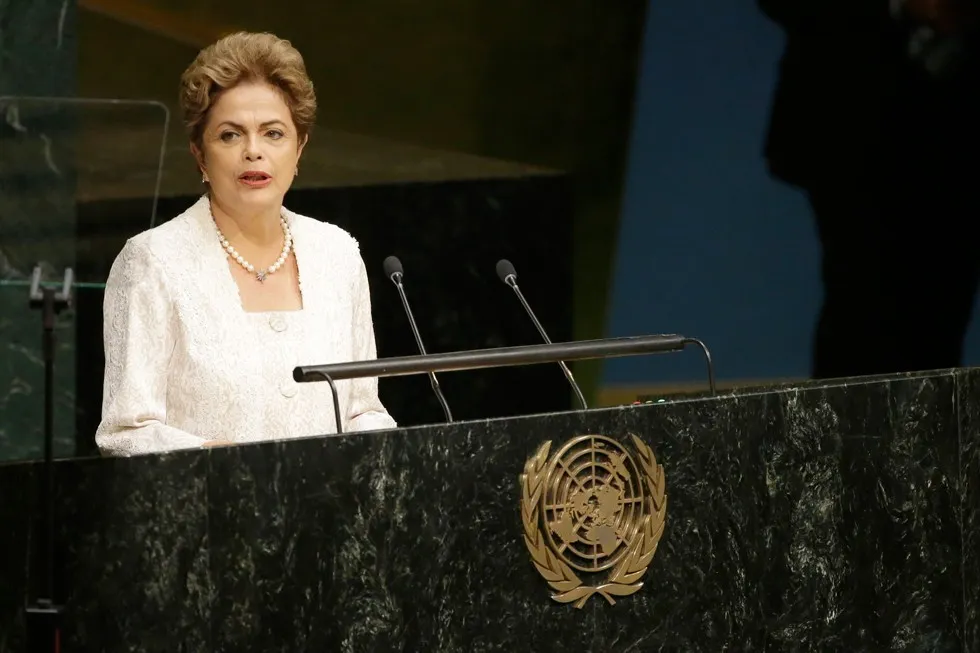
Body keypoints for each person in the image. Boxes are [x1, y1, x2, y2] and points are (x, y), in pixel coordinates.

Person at [95, 31, 396, 456]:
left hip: (327, 516)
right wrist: (226, 465)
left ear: (299, 149)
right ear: (200, 154)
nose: (253, 151)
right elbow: (127, 432)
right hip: (211, 514)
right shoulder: (153, 261)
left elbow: (363, 410)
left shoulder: (338, 254)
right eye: (230, 135)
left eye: (273, 133)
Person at [759, 0, 980, 379]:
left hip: (958, 132)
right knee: (860, 302)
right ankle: (847, 430)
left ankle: (933, 429)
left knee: (941, 309)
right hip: (848, 121)